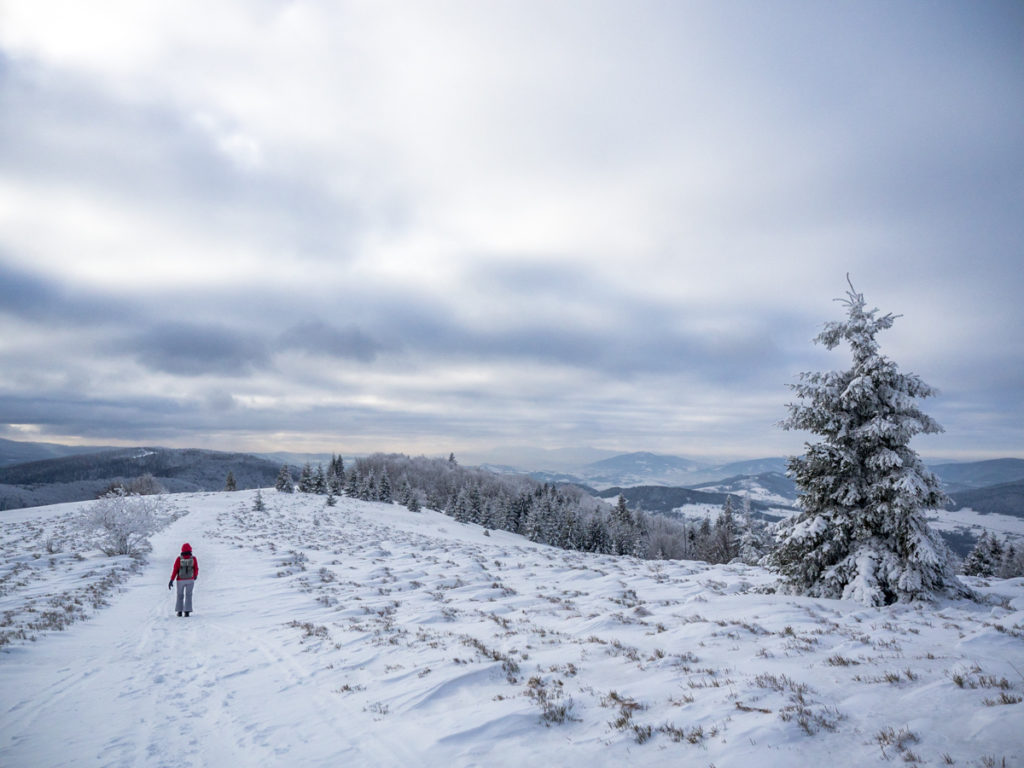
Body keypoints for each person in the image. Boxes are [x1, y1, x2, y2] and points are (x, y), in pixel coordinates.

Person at [168, 542, 199, 617]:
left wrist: (171, 580)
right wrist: (195, 576)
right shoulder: (193, 558)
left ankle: (179, 611)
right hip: (190, 579)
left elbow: (175, 570)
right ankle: (187, 611)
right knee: (189, 595)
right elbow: (196, 568)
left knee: (180, 595)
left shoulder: (179, 559)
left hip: (180, 580)